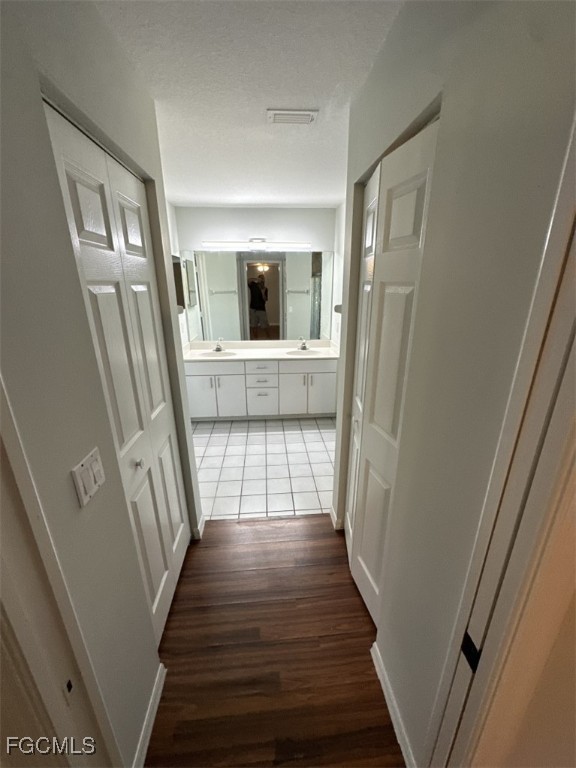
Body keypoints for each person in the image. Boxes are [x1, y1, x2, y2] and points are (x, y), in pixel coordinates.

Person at [248, 273, 270, 339]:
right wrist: (256, 279)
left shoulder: (265, 288)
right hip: (253, 309)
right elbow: (248, 280)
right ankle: (255, 339)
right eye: (260, 278)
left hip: (261, 309)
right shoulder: (253, 285)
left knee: (265, 326)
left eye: (263, 279)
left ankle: (269, 338)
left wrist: (263, 292)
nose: (261, 280)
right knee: (253, 326)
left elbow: (265, 300)